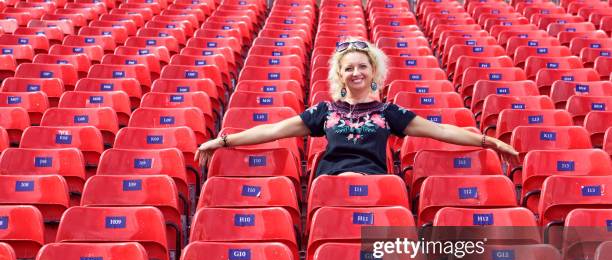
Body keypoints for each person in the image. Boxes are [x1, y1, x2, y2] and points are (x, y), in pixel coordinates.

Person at [195, 39, 518, 175]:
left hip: (376, 189)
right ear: (340, 74)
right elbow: (272, 130)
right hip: (330, 185)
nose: (356, 73)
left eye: (362, 66)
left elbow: (442, 131)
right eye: (349, 68)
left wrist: (490, 141)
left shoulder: (390, 113)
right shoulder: (323, 112)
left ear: (373, 71)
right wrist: (222, 140)